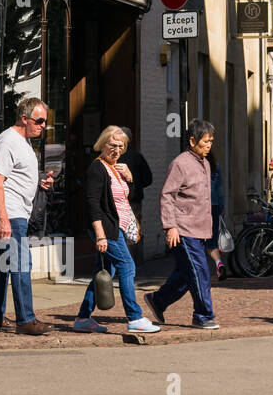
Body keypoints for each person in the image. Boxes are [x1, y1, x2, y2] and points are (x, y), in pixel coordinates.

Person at [73, 126, 160, 334]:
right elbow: (93, 204)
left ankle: (83, 318)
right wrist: (100, 235)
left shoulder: (115, 168)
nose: (116, 150)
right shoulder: (97, 168)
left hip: (117, 227)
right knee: (127, 266)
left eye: (121, 146)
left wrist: (129, 178)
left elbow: (123, 199)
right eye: (112, 145)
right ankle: (134, 317)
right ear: (102, 144)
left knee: (103, 273)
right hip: (107, 229)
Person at [0, 97, 57, 335]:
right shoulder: (8, 141)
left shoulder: (23, 141)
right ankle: (26, 319)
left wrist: (40, 183)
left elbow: (18, 177)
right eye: (39, 121)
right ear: (24, 118)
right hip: (12, 213)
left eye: (45, 121)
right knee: (21, 264)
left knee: (2, 266)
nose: (43, 125)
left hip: (17, 212)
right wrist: (3, 218)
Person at [145, 120, 219, 330]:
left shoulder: (205, 162)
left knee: (187, 274)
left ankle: (158, 300)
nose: (209, 145)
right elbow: (167, 195)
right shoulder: (180, 164)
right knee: (200, 271)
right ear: (193, 140)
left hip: (200, 229)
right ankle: (203, 315)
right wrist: (170, 226)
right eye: (206, 141)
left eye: (211, 141)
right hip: (183, 229)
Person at [118, 127, 153, 222]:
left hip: (115, 201)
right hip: (134, 200)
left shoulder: (111, 156)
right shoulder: (137, 157)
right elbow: (148, 179)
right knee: (134, 230)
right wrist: (137, 186)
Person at [204, 150, 228, 281]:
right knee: (211, 241)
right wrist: (222, 208)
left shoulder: (198, 166)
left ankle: (202, 272)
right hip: (214, 206)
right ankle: (219, 263)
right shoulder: (215, 166)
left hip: (201, 208)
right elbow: (220, 189)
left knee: (199, 241)